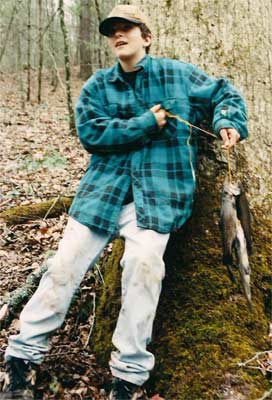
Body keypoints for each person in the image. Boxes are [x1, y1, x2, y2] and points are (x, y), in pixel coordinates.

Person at [1, 4, 248, 400]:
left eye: (127, 29)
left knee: (144, 266)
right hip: (101, 198)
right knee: (63, 268)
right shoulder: (98, 86)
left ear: (145, 37)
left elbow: (223, 91)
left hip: (158, 199)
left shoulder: (178, 75)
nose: (119, 35)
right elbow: (92, 134)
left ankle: (129, 377)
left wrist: (227, 121)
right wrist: (145, 124)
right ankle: (21, 361)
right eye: (113, 31)